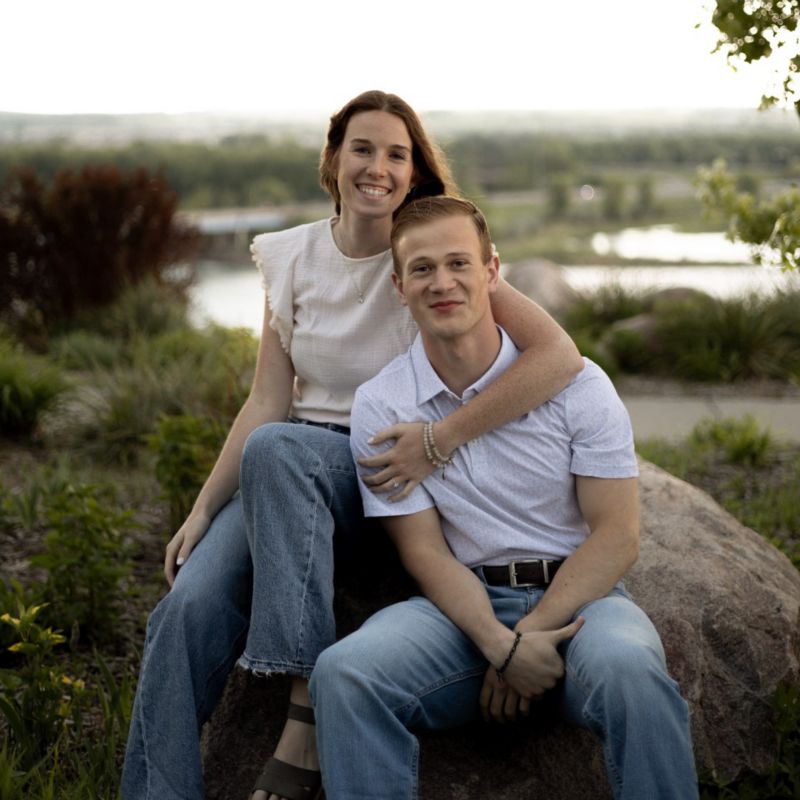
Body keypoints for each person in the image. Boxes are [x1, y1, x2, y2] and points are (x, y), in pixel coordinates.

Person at [120, 92, 583, 800]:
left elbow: (559, 357)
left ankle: (305, 708)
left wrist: (440, 439)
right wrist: (204, 508)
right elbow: (266, 402)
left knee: (279, 450)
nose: (378, 167)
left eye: (397, 154)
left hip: (389, 467)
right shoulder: (290, 256)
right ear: (334, 158)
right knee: (183, 613)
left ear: (414, 170)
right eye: (362, 149)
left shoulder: (428, 255)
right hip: (285, 467)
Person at [310, 196, 699, 800]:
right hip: (461, 615)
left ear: (492, 271)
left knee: (631, 670)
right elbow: (425, 552)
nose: (442, 283)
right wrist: (498, 645)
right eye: (422, 269)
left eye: (459, 263)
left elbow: (617, 536)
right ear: (399, 286)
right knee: (344, 673)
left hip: (583, 605)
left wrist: (530, 638)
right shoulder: (382, 404)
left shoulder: (579, 386)